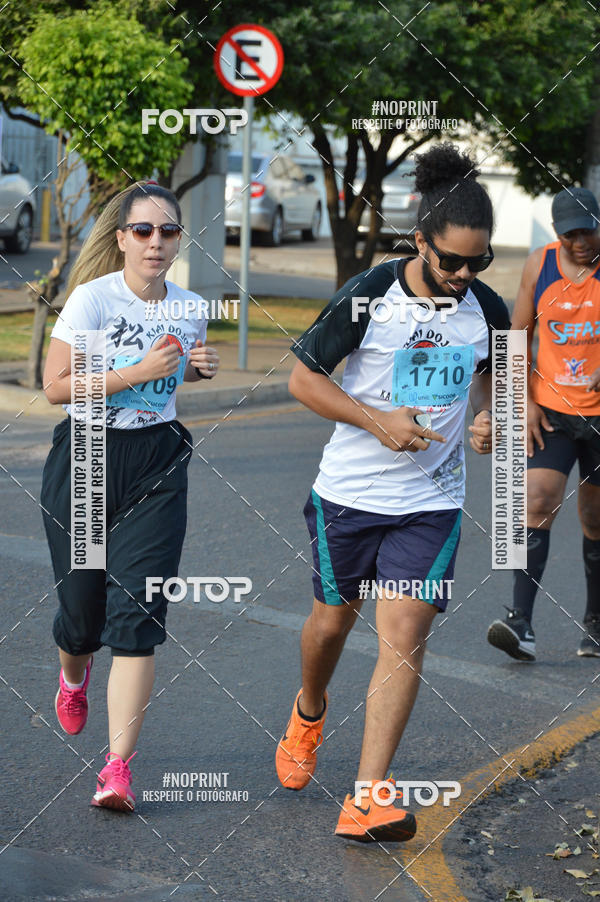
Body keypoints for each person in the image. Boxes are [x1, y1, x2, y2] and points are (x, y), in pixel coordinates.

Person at [275, 143, 510, 842]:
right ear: (421, 243)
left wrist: (490, 416)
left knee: (404, 637)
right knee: (329, 626)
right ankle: (310, 709)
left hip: (431, 505)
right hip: (348, 494)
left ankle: (368, 796)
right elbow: (302, 380)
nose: (465, 276)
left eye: (479, 263)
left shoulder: (489, 309)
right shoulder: (372, 294)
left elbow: (503, 378)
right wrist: (377, 421)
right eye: (452, 262)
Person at [41, 181, 219, 811]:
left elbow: (171, 385)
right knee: (83, 616)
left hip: (157, 458)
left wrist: (195, 369)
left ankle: (117, 768)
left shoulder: (190, 306)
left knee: (138, 612)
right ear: (121, 238)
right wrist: (137, 372)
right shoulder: (94, 300)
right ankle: (73, 671)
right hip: (89, 454)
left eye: (168, 231)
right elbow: (58, 387)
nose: (156, 242)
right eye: (143, 231)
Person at [487, 187, 600, 662]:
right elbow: (516, 335)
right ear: (557, 233)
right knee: (534, 501)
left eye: (587, 230)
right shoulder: (541, 264)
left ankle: (595, 622)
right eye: (570, 233)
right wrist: (524, 400)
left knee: (595, 519)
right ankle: (522, 622)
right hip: (550, 410)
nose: (580, 241)